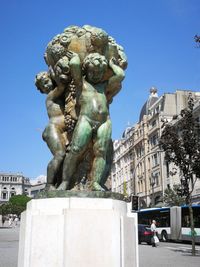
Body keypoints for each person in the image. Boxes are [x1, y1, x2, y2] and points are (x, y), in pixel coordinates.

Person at [57, 52, 124, 191]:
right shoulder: (81, 84)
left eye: (99, 72)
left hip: (104, 122)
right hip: (86, 119)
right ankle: (65, 182)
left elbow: (120, 75)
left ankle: (95, 182)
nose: (96, 75)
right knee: (75, 150)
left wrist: (112, 64)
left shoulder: (104, 86)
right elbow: (75, 65)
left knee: (101, 151)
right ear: (86, 70)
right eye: (93, 71)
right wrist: (75, 57)